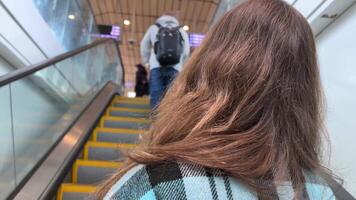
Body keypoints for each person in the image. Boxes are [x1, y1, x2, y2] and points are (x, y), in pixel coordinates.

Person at [97, 0, 338, 199]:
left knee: (157, 100)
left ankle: (155, 124)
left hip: (159, 69)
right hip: (175, 68)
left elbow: (144, 47)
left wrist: (151, 63)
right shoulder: (326, 190)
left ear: (207, 68)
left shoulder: (156, 183)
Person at [140, 12, 190, 108]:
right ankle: (168, 121)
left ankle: (155, 122)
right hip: (175, 68)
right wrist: (180, 64)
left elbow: (144, 45)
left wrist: (147, 62)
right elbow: (186, 50)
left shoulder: (154, 27)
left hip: (156, 66)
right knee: (171, 97)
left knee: (156, 95)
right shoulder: (180, 30)